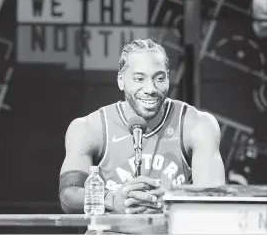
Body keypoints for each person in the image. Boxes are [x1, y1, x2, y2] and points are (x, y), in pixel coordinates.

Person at [59, 39, 226, 234]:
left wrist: (170, 200)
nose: (150, 88)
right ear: (121, 80)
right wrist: (112, 199)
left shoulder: (197, 124)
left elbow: (215, 202)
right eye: (139, 79)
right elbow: (68, 197)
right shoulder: (88, 128)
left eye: (159, 78)